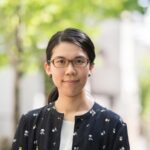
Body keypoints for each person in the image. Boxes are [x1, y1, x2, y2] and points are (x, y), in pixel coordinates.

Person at [11, 28, 130, 150]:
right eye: (61, 61)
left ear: (90, 67)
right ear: (48, 68)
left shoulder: (113, 125)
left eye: (79, 61)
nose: (70, 71)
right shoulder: (30, 123)